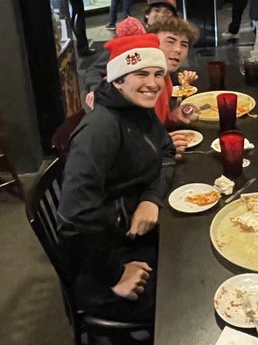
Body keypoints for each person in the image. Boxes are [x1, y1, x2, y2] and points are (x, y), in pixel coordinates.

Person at [56, 33, 176, 320]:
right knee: (181, 295)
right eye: (141, 74)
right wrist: (116, 274)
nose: (153, 83)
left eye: (158, 74)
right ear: (118, 80)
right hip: (100, 262)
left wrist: (151, 198)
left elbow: (167, 152)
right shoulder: (100, 129)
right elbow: (74, 219)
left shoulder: (137, 109)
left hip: (131, 233)